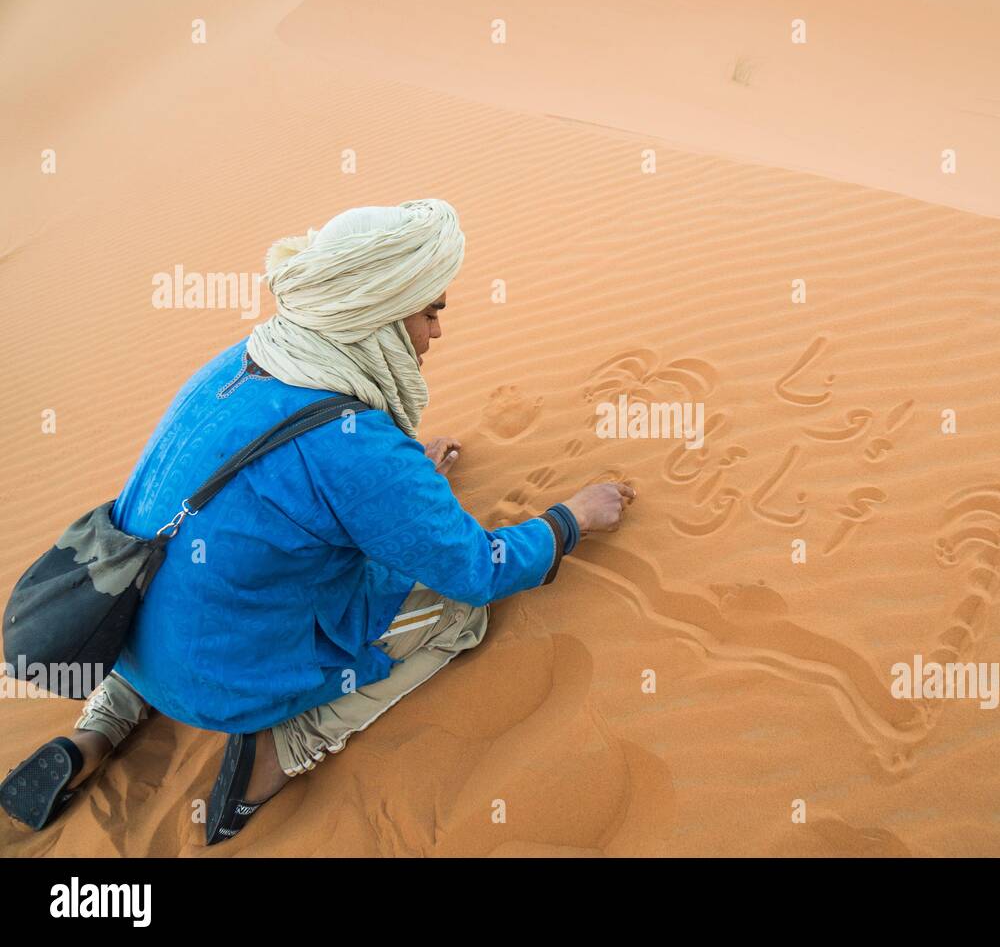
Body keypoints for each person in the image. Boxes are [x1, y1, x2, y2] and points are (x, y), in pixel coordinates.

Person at [0, 198, 634, 845]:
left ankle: (97, 730)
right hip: (215, 681)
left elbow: (275, 484)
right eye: (429, 312)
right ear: (377, 319)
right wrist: (571, 519)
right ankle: (281, 749)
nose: (437, 333)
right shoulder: (358, 448)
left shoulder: (240, 360)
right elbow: (475, 570)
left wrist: (396, 484)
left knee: (202, 581)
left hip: (123, 631)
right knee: (459, 616)